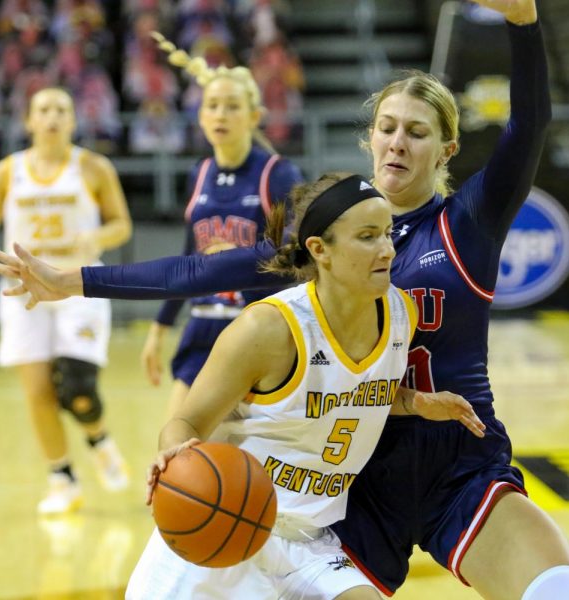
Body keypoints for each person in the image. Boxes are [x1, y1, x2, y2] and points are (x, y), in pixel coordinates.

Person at [0, 1, 569, 598]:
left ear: (447, 151)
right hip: (350, 476)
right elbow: (199, 269)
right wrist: (74, 281)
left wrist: (522, 21)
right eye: (386, 128)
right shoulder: (331, 232)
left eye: (417, 132)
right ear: (368, 140)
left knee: (561, 589)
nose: (397, 144)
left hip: (457, 461)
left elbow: (528, 127)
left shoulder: (468, 223)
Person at [133, 173, 483, 599]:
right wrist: (172, 452)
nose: (388, 250)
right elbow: (188, 420)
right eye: (368, 237)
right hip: (221, 530)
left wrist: (413, 401)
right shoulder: (268, 329)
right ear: (320, 249)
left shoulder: (400, 313)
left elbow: (354, 388)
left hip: (310, 542)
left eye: (388, 233)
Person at [0, 86, 133, 515]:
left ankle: (98, 437)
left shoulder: (94, 167)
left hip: (78, 283)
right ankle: (62, 478)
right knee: (38, 389)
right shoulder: (7, 171)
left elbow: (121, 226)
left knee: (78, 388)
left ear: (74, 120)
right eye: (43, 109)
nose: (52, 116)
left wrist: (97, 236)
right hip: (23, 287)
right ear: (29, 121)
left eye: (62, 109)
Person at [140, 32, 304, 419]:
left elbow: (296, 258)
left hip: (256, 329)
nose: (220, 114)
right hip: (202, 326)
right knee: (173, 456)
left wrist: (240, 260)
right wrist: (159, 328)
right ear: (200, 114)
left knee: (243, 461)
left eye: (232, 106)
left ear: (253, 116)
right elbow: (187, 259)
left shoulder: (277, 175)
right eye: (213, 105)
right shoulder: (198, 173)